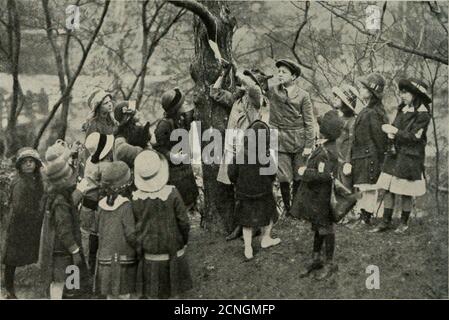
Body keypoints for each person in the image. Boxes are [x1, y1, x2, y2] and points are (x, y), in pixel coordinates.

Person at [371, 78, 432, 234]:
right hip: (395, 153)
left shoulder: (423, 114)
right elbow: (397, 128)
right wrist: (391, 133)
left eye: (406, 93)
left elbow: (415, 138)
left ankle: (403, 223)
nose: (402, 96)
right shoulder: (403, 109)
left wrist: (395, 132)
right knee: (387, 187)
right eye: (401, 92)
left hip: (411, 156)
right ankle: (386, 221)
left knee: (406, 190)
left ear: (416, 94)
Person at [132, 150, 192, 299]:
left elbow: (134, 225)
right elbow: (184, 222)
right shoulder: (172, 193)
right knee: (173, 292)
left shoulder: (136, 198)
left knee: (153, 293)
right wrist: (184, 240)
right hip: (172, 249)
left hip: (149, 252)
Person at [291, 110, 344, 280]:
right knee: (318, 228)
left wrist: (304, 172)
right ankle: (316, 258)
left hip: (323, 199)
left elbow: (324, 176)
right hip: (317, 198)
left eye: (320, 126)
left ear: (325, 131)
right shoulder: (326, 146)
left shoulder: (327, 152)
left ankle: (329, 263)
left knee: (326, 229)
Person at [267, 59, 315, 217]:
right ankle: (288, 209)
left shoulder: (303, 96)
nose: (280, 74)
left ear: (293, 76)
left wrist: (309, 145)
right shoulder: (273, 91)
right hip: (279, 140)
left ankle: (297, 209)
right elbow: (255, 87)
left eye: (284, 72)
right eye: (278, 71)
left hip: (299, 141)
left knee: (299, 176)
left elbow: (309, 122)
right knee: (283, 178)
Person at [228, 120, 280, 260]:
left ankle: (248, 247)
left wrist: (238, 183)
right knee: (270, 214)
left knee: (246, 222)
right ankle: (266, 238)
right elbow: (273, 173)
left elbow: (231, 173)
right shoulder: (266, 156)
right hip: (263, 193)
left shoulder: (240, 154)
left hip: (245, 193)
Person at [42, 148, 89, 299]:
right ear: (62, 180)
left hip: (61, 249)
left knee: (62, 281)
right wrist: (75, 250)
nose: (72, 177)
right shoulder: (61, 202)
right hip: (64, 251)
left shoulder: (57, 195)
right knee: (62, 282)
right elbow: (64, 230)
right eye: (69, 175)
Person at [2, 148, 45, 299]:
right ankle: (9, 289)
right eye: (25, 162)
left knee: (19, 255)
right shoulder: (20, 182)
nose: (28, 164)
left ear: (36, 164)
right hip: (19, 223)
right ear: (20, 165)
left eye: (31, 162)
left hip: (29, 223)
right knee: (11, 258)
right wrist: (35, 214)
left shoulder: (35, 180)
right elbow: (19, 207)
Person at [349, 73, 388, 229]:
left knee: (369, 187)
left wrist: (378, 158)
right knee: (364, 186)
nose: (360, 89)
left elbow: (379, 139)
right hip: (362, 154)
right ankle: (363, 216)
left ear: (371, 92)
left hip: (370, 155)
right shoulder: (367, 109)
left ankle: (366, 217)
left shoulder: (374, 112)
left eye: (363, 88)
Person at [94, 161, 137, 299]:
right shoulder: (126, 206)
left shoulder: (100, 205)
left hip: (105, 259)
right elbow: (131, 234)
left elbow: (97, 229)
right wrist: (139, 247)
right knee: (124, 295)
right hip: (124, 260)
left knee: (110, 296)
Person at [154, 88, 199, 209]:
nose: (184, 104)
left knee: (190, 198)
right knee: (180, 202)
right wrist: (170, 155)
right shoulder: (164, 125)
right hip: (174, 172)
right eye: (181, 104)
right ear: (175, 109)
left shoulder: (181, 118)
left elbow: (194, 113)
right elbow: (158, 147)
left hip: (185, 169)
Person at [79, 132, 115, 275]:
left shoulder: (90, 161)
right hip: (97, 204)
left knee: (89, 236)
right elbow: (107, 185)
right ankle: (97, 271)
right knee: (98, 237)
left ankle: (90, 268)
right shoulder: (105, 165)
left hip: (87, 204)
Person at [113, 101, 151, 168]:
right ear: (129, 118)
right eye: (135, 112)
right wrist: (146, 152)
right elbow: (122, 151)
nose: (139, 113)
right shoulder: (120, 138)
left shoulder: (136, 131)